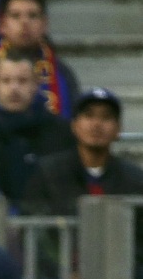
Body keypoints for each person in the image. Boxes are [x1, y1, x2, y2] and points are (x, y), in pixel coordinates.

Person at [0, 50, 73, 202]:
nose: (14, 88)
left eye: (22, 81)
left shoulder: (59, 131)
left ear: (36, 85)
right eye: (6, 81)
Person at [0, 0, 78, 123]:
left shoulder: (62, 72)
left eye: (32, 16)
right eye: (15, 16)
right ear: (2, 25)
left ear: (45, 24)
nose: (24, 22)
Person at [24, 87, 143, 215]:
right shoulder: (48, 175)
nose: (96, 124)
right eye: (89, 115)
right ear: (74, 126)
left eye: (106, 117)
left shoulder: (134, 180)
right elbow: (36, 225)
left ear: (118, 129)